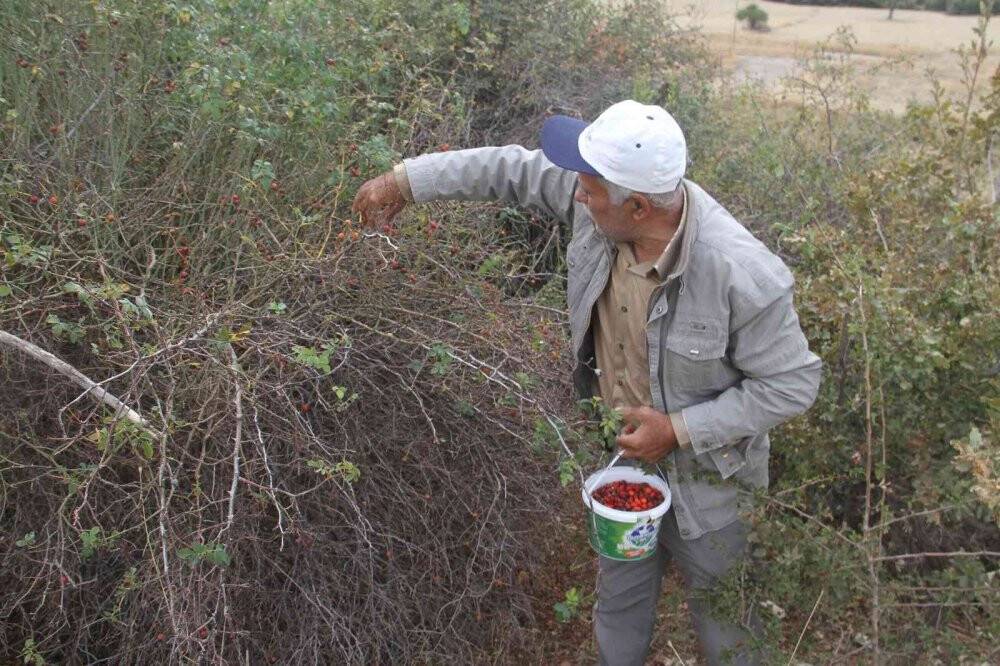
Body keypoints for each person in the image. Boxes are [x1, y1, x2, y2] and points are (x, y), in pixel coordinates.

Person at [352, 100, 822, 665]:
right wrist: (402, 182)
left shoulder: (742, 274)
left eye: (589, 188)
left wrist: (678, 429)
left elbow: (793, 384)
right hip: (624, 474)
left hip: (714, 488)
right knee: (618, 610)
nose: (576, 193)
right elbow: (508, 169)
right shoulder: (603, 205)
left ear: (640, 207)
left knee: (728, 633)